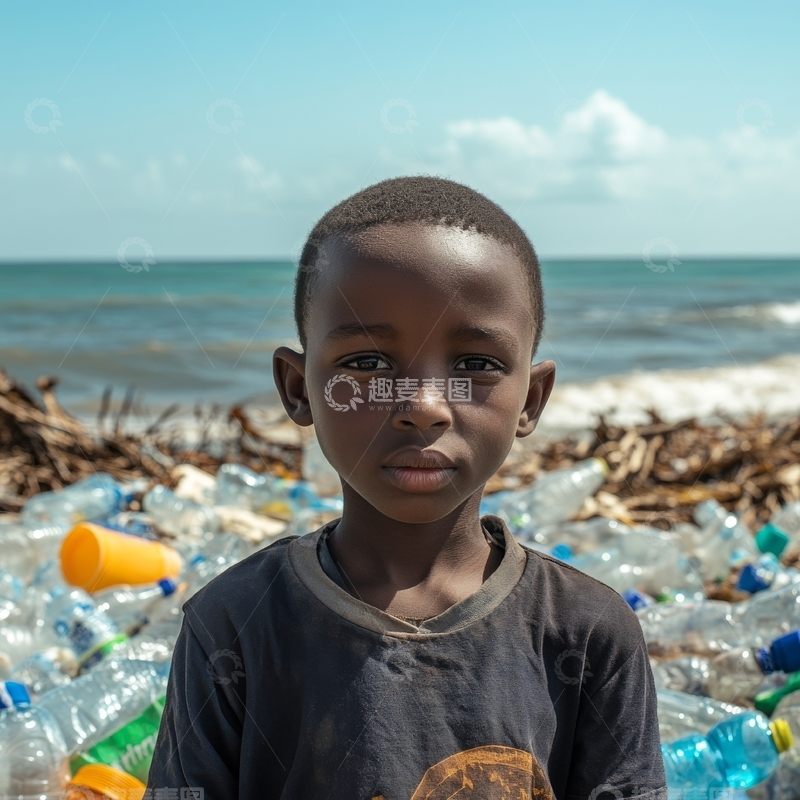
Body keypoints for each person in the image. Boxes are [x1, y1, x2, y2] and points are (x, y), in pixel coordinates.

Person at [147, 176, 667, 800]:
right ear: (298, 387)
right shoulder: (233, 625)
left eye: (475, 365)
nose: (423, 406)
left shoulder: (588, 632)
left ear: (531, 399)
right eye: (367, 364)